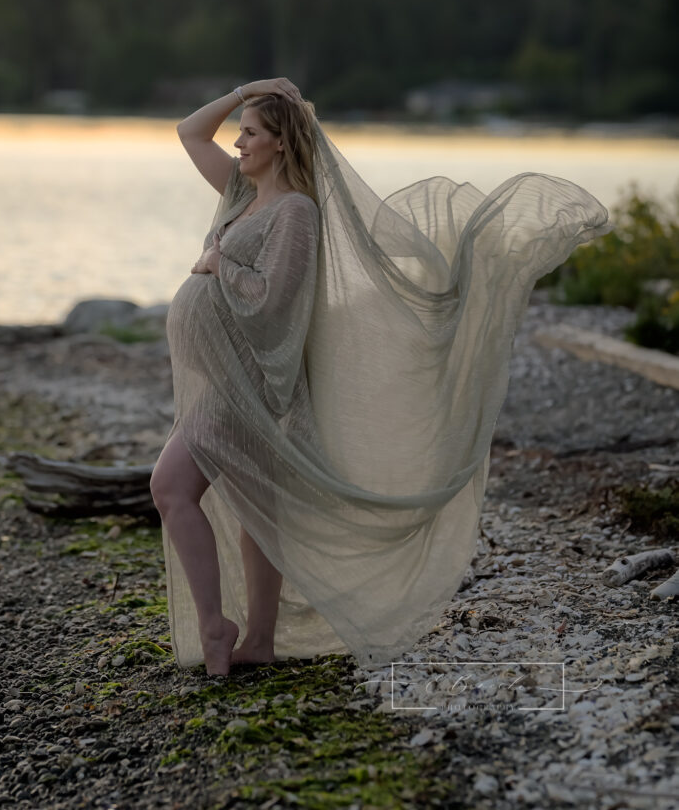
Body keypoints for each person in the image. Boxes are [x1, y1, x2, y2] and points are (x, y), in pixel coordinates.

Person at [150, 78, 611, 678]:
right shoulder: (241, 194)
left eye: (251, 132)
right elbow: (190, 131)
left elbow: (275, 301)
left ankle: (217, 627)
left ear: (282, 144)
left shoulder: (295, 211)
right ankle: (258, 638)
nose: (237, 141)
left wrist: (219, 264)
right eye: (240, 131)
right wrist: (250, 91)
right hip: (231, 381)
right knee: (257, 511)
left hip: (253, 385)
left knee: (170, 487)